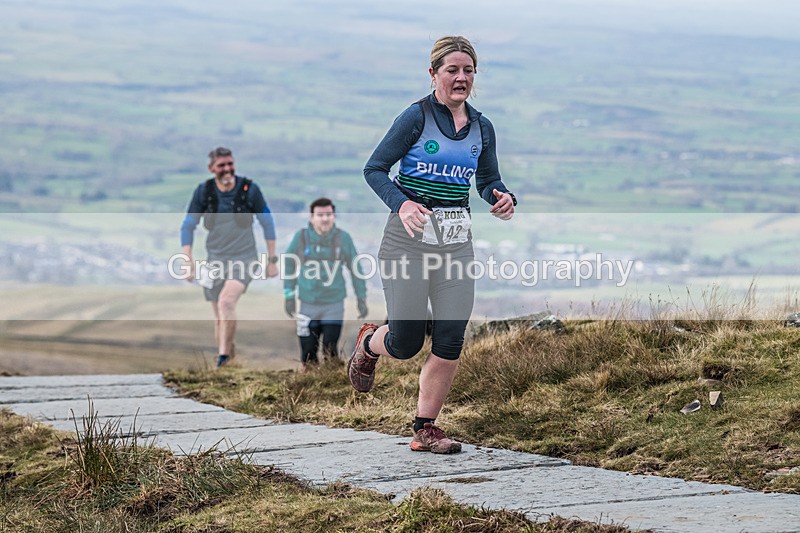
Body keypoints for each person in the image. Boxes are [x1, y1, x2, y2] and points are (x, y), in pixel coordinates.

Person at [348, 36, 516, 454]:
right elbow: (374, 169)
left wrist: (502, 196)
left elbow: (487, 180)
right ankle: (370, 341)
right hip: (407, 241)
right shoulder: (415, 118)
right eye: (452, 70)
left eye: (469, 70)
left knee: (450, 337)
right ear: (433, 74)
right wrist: (403, 203)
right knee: (404, 344)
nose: (462, 78)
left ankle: (426, 428)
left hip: (455, 244)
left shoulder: (482, 127)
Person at [180, 147, 279, 368]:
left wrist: (272, 260)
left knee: (226, 301)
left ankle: (222, 359)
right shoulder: (204, 191)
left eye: (230, 164)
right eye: (222, 165)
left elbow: (267, 222)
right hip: (214, 259)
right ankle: (229, 363)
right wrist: (188, 260)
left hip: (244, 258)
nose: (227, 169)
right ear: (211, 168)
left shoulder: (249, 189)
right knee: (220, 318)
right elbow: (188, 225)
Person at [283, 198, 368, 371]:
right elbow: (289, 263)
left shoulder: (343, 238)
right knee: (308, 351)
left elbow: (355, 268)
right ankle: (310, 386)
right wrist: (289, 295)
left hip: (334, 303)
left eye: (328, 214)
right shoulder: (301, 237)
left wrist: (361, 298)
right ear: (311, 217)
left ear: (334, 216)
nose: (324, 219)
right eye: (320, 215)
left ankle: (332, 384)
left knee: (330, 348)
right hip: (307, 303)